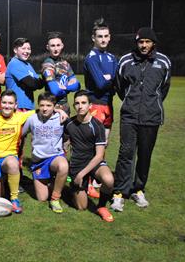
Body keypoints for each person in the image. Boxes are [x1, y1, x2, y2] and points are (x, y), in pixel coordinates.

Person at [111, 27, 171, 212]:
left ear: (153, 43)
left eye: (147, 42)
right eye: (140, 42)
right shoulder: (126, 61)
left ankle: (138, 189)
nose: (144, 45)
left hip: (151, 117)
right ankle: (119, 193)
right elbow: (120, 87)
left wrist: (151, 104)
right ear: (136, 43)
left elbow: (164, 89)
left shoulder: (164, 62)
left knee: (145, 154)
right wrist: (132, 102)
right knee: (126, 154)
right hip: (129, 116)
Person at [64, 90, 115, 222]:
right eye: (77, 103)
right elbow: (64, 145)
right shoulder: (69, 124)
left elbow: (99, 155)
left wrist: (82, 174)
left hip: (94, 162)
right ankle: (76, 188)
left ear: (90, 105)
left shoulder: (97, 126)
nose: (80, 106)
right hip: (77, 164)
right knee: (82, 207)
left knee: (109, 180)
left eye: (83, 103)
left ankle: (102, 206)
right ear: (74, 105)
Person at [83, 19, 118, 198]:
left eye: (105, 36)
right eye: (99, 37)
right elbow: (99, 83)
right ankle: (88, 182)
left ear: (109, 37)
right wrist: (110, 79)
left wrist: (108, 79)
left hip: (108, 105)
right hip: (95, 104)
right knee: (93, 146)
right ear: (93, 38)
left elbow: (113, 82)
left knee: (104, 144)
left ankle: (96, 179)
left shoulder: (112, 58)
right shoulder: (91, 57)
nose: (103, 40)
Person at [0, 90, 34, 213]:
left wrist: (59, 110)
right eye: (4, 102)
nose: (7, 106)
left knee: (12, 162)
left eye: (10, 103)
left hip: (8, 158)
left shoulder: (20, 116)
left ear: (16, 105)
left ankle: (14, 199)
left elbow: (42, 110)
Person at [21, 92, 68, 213]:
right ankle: (53, 182)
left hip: (55, 157)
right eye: (42, 105)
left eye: (48, 105)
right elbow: (21, 134)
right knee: (42, 198)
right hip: (38, 162)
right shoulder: (32, 119)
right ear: (38, 105)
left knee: (63, 166)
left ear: (54, 106)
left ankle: (55, 198)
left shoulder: (61, 118)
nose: (45, 108)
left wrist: (61, 111)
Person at [41, 32, 80, 115]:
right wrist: (69, 86)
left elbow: (77, 85)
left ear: (62, 46)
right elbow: (55, 90)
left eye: (58, 45)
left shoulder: (65, 63)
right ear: (47, 47)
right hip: (52, 110)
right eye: (52, 46)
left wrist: (64, 87)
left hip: (65, 108)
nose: (56, 48)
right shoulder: (48, 65)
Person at [5, 37, 44, 111]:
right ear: (15, 50)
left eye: (29, 49)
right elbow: (32, 84)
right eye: (23, 48)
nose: (27, 51)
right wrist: (37, 82)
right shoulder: (14, 63)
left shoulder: (28, 65)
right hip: (17, 107)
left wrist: (38, 82)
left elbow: (40, 84)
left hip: (28, 106)